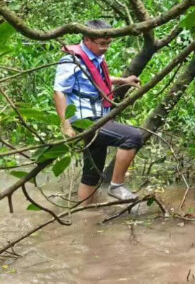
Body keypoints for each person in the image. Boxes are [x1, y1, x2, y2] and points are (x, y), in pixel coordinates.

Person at [53, 19, 143, 203]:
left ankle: (85, 216)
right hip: (84, 119)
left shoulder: (94, 58)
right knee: (133, 136)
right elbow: (59, 91)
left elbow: (95, 78)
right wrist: (66, 125)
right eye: (102, 44)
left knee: (92, 173)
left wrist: (123, 81)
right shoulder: (71, 59)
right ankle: (116, 185)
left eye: (109, 44)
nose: (106, 48)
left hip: (98, 117)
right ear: (87, 39)